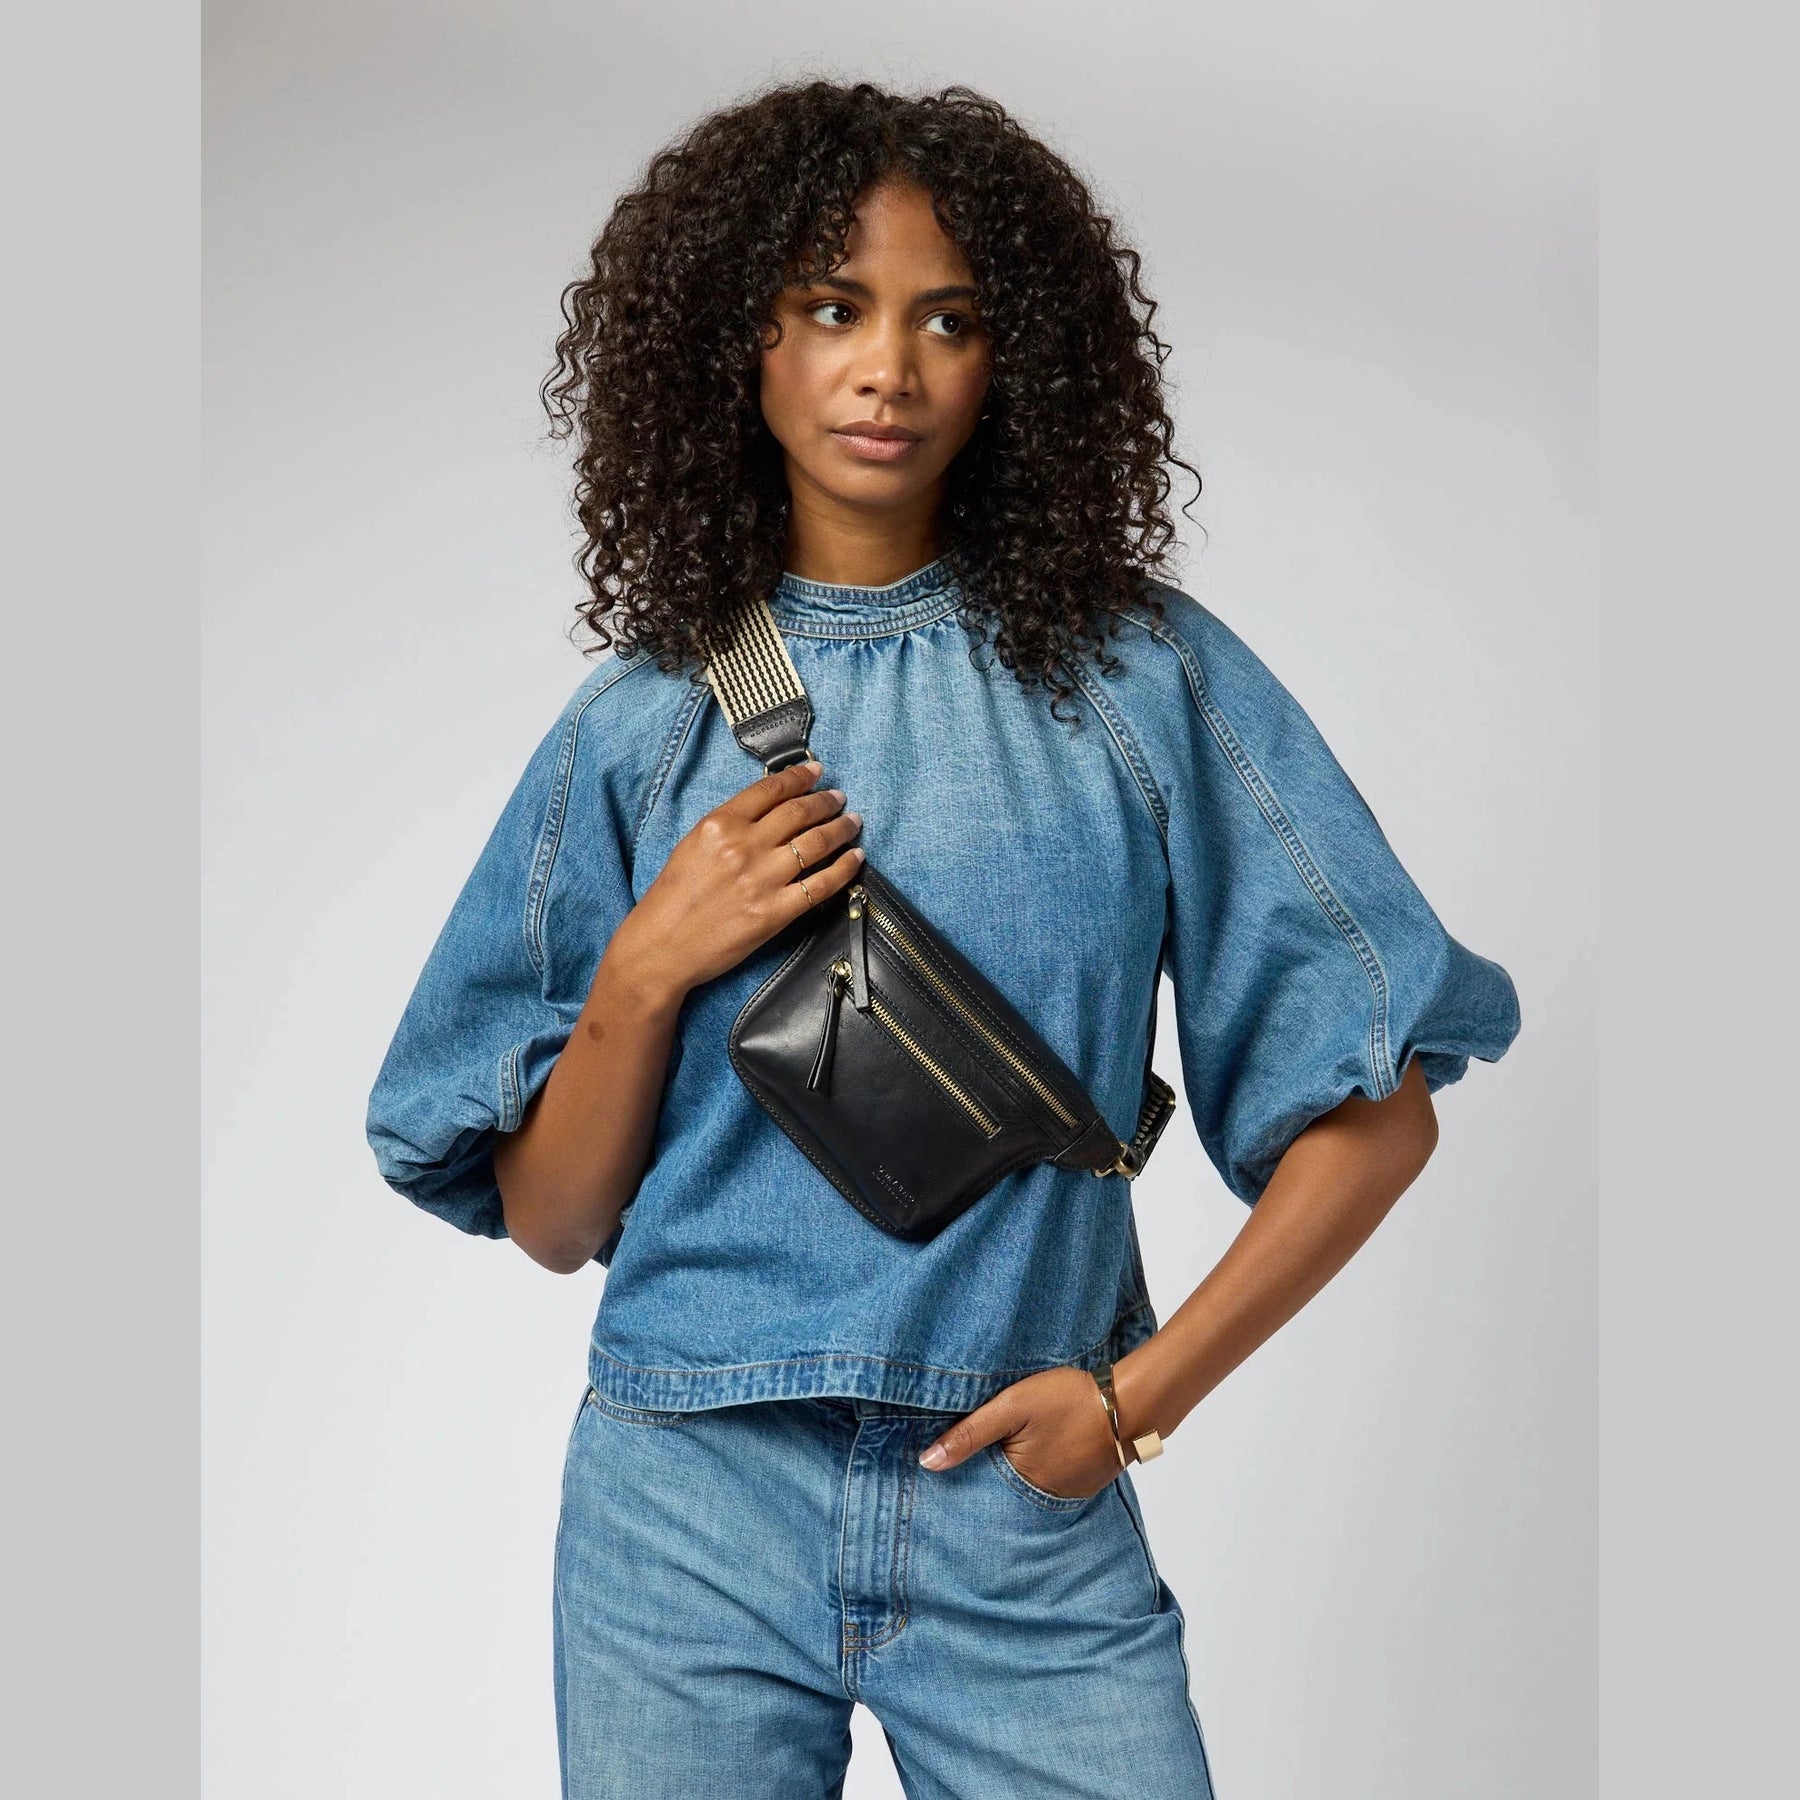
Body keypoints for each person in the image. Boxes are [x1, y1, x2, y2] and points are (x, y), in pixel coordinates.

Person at [366, 79, 1521, 1800]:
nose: (887, 370)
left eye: (948, 320)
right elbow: (552, 1224)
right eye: (833, 308)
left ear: (1015, 363)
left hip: (1019, 1506)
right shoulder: (642, 724)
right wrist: (644, 966)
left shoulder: (1140, 683)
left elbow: (1378, 1114)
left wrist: (1132, 1405)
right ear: (740, 344)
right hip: (683, 1502)